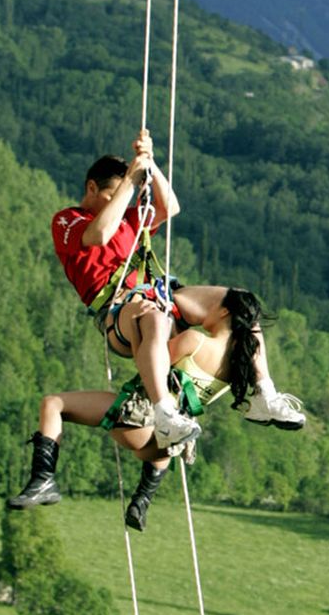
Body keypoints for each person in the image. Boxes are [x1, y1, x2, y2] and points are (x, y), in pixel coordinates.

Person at [49, 129, 303, 450]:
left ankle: (264, 393)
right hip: (119, 309)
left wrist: (150, 166)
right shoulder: (68, 221)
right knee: (152, 317)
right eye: (115, 195)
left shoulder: (130, 219)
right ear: (91, 188)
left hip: (155, 293)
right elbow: (99, 235)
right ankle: (164, 412)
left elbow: (170, 208)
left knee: (241, 303)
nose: (121, 202)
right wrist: (130, 181)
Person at [8, 288, 290, 532]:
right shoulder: (235, 368)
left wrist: (137, 313)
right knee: (173, 426)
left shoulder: (195, 340)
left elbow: (150, 359)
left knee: (54, 404)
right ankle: (142, 500)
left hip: (138, 423)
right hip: (163, 449)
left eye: (212, 306)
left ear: (224, 311)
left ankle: (43, 479)